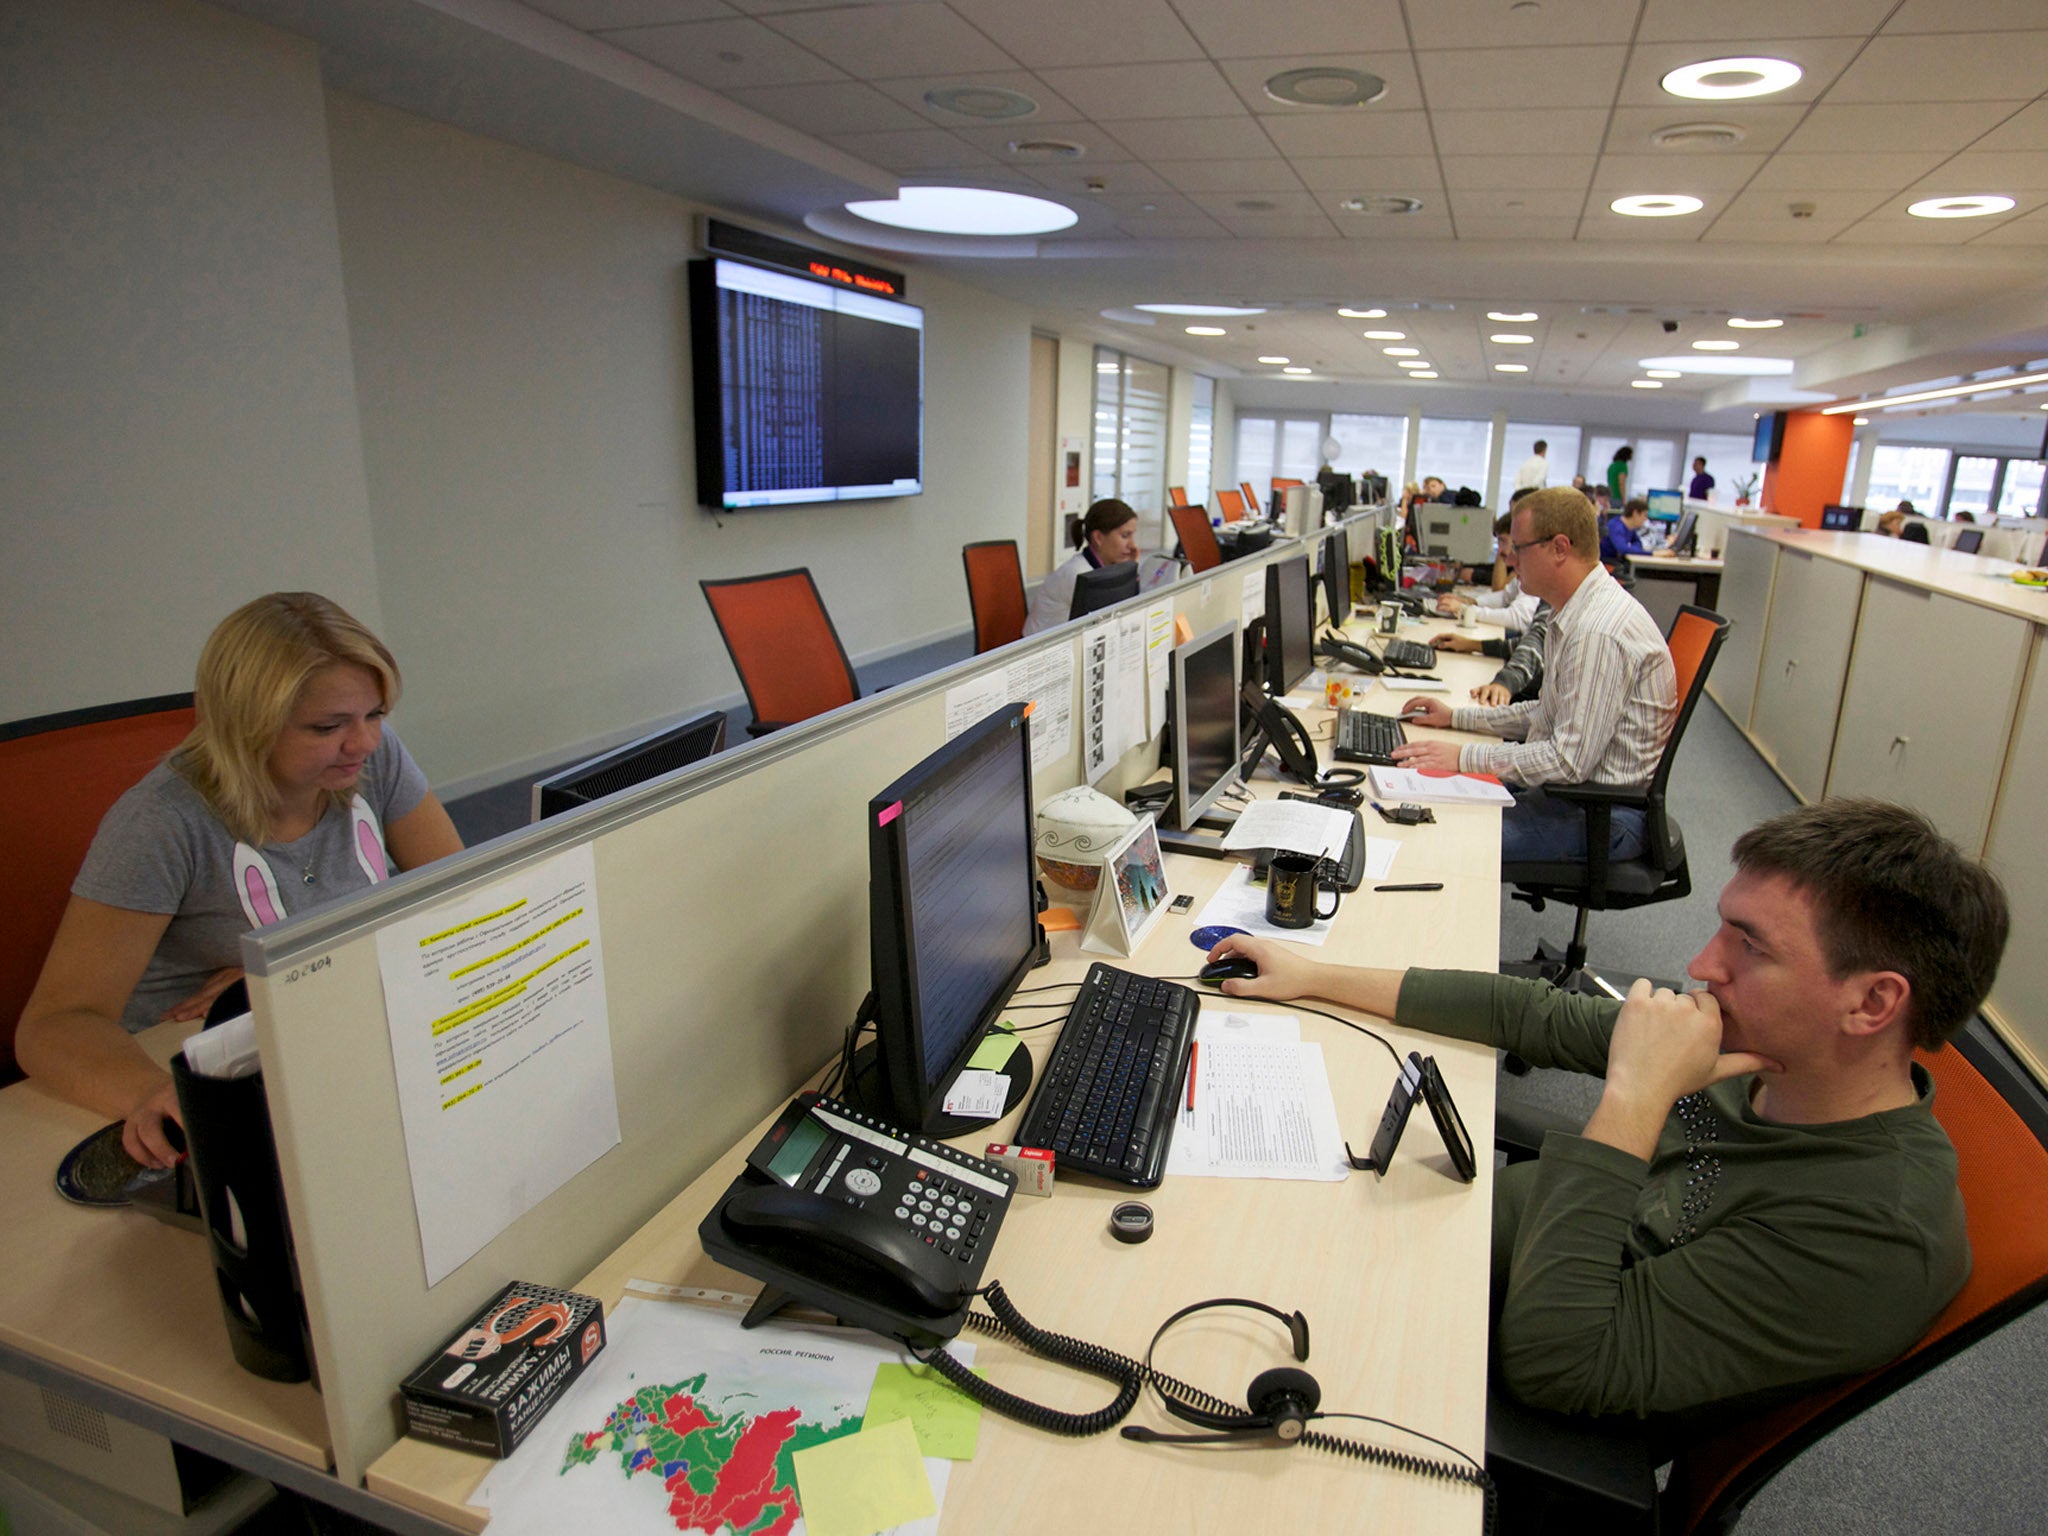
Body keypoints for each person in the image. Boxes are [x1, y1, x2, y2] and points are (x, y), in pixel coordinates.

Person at [1206, 797, 2006, 1422]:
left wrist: (1638, 1094)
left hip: (1457, 1358)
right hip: (1448, 1240)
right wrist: (1313, 973)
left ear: (1872, 1003)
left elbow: (1559, 1365)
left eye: (1751, 946)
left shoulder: (1874, 1236)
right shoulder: (1761, 1050)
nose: (1701, 966)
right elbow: (1532, 1017)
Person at [17, 593, 464, 1168]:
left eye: (374, 715)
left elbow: (459, 897)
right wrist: (152, 1093)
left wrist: (296, 968)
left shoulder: (373, 760)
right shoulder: (162, 822)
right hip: (212, 1072)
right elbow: (54, 1025)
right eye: (328, 726)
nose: (366, 743)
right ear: (247, 726)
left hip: (328, 1037)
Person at [1392, 487, 1675, 864]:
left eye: (1519, 547)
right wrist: (1456, 717)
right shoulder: (1572, 611)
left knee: (1442, 838)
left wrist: (1464, 756)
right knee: (1417, 798)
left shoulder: (1597, 631)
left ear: (1560, 548)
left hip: (1602, 816)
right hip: (1574, 796)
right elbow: (1548, 712)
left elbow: (1567, 762)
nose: (1507, 556)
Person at [1024, 498, 1144, 636]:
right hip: (1041, 652)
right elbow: (1115, 620)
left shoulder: (1101, 569)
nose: (1132, 545)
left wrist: (1129, 568)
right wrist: (1129, 571)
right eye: (1125, 536)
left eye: (1132, 535)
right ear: (1098, 538)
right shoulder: (1078, 574)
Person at [1599, 496, 1652, 571]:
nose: (1646, 519)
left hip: (1618, 562)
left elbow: (1638, 543)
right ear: (1635, 513)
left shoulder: (1630, 527)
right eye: (1644, 515)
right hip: (1607, 565)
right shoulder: (1616, 526)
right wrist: (1652, 553)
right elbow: (1623, 549)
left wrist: (1630, 548)